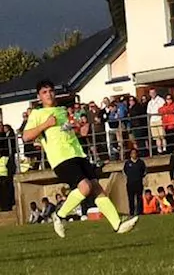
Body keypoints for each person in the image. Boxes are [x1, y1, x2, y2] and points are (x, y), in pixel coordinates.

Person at [21, 80, 139, 236]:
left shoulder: (62, 110)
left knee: (96, 188)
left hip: (77, 153)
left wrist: (79, 131)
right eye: (44, 92)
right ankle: (59, 215)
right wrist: (45, 125)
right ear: (39, 97)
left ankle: (117, 224)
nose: (48, 94)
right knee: (85, 187)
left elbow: (66, 132)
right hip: (61, 158)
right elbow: (26, 136)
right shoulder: (37, 114)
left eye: (50, 91)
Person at [123, 148, 147, 216]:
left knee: (139, 198)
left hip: (139, 183)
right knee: (131, 198)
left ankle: (140, 212)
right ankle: (132, 212)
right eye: (132, 153)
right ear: (130, 154)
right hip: (130, 184)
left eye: (135, 153)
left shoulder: (141, 162)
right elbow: (125, 172)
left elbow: (144, 171)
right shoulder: (127, 163)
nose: (134, 154)